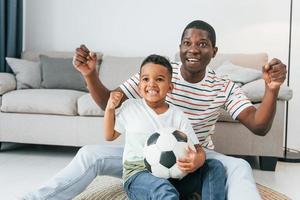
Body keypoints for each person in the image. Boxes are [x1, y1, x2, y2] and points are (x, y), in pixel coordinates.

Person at [23, 20, 286, 200]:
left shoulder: (223, 86)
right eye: (187, 43)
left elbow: (259, 126)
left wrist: (271, 90)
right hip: (141, 156)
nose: (193, 49)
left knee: (239, 166)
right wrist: (90, 75)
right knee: (90, 154)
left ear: (214, 51)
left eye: (202, 44)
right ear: (180, 47)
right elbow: (111, 104)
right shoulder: (157, 74)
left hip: (192, 155)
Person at [104, 54, 226, 200]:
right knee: (163, 189)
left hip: (175, 176)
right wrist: (109, 109)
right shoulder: (130, 108)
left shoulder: (177, 115)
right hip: (139, 176)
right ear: (139, 86)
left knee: (214, 166)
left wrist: (197, 160)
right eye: (146, 79)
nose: (152, 84)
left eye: (159, 79)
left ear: (170, 87)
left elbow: (198, 149)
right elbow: (109, 135)